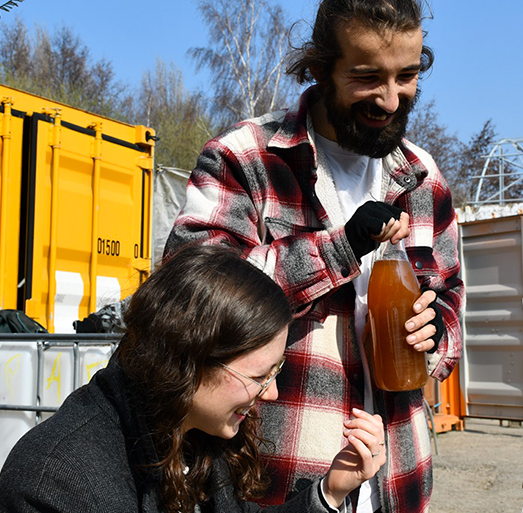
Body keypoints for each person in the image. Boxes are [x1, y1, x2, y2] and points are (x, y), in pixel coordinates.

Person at [164, 1, 464, 512]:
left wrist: (437, 329)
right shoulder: (246, 159)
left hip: (402, 484)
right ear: (319, 69)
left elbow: (451, 299)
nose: (391, 100)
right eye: (368, 77)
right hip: (277, 487)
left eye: (407, 76)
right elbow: (190, 301)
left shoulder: (422, 177)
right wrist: (340, 248)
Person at [0, 245, 386, 513]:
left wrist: (330, 491)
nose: (273, 394)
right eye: (259, 376)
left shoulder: (190, 433)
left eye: (276, 370)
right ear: (189, 360)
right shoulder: (59, 482)